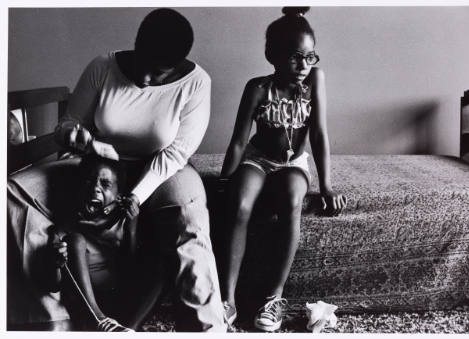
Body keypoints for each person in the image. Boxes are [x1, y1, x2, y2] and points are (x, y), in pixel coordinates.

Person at [7, 8, 225, 332]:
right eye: (145, 64)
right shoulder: (103, 67)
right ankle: (51, 319)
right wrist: (72, 134)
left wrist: (134, 197)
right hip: (99, 163)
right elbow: (67, 124)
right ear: (137, 43)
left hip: (163, 169)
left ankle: (206, 328)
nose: (147, 79)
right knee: (11, 192)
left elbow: (176, 153)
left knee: (190, 219)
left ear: (178, 64)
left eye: (159, 73)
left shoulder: (196, 84)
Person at [219, 7, 347, 332]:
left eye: (310, 57)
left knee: (292, 198)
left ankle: (273, 298)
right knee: (239, 201)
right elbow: (237, 141)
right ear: (271, 55)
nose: (303, 65)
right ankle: (227, 298)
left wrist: (326, 185)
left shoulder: (315, 80)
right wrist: (224, 178)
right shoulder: (258, 88)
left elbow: (318, 134)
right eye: (294, 57)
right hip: (258, 159)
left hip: (293, 163)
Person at [47, 154, 139, 332]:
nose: (95, 188)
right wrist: (56, 264)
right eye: (88, 181)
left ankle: (130, 329)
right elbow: (53, 285)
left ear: (119, 195)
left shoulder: (124, 220)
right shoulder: (69, 224)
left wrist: (132, 228)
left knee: (161, 263)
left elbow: (132, 267)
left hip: (122, 295)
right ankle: (100, 320)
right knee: (75, 240)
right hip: (88, 302)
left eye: (105, 184)